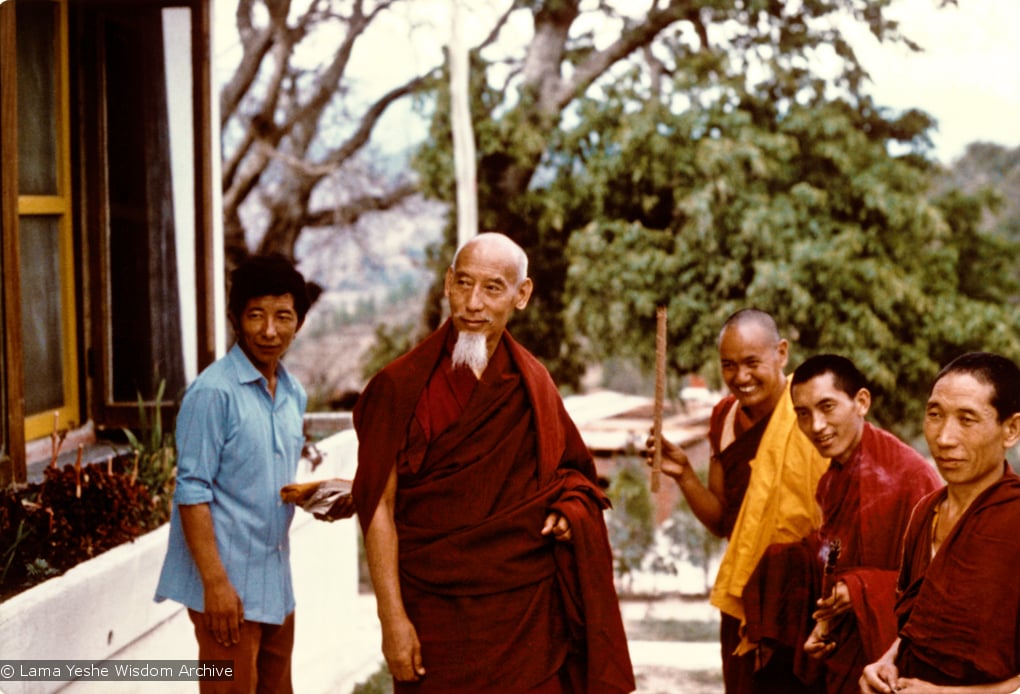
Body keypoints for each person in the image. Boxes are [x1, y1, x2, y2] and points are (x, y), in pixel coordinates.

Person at [352, 232, 635, 693]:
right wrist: (392, 620)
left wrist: (570, 513)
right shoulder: (398, 386)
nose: (473, 304)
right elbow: (377, 506)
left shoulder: (533, 382)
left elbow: (573, 476)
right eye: (463, 284)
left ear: (521, 295)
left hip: (525, 617)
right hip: (436, 618)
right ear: (447, 283)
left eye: (492, 288)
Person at [155, 254, 318, 693]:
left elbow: (265, 477)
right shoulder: (212, 393)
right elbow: (191, 491)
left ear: (298, 323)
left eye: (283, 316)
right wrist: (216, 586)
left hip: (276, 583)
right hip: (227, 590)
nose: (269, 330)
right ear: (234, 319)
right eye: (256, 316)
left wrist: (314, 494)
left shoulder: (292, 392)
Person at [647, 308, 829, 692]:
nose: (740, 377)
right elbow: (723, 523)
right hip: (745, 593)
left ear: (781, 353)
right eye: (729, 366)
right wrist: (683, 474)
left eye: (752, 363)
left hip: (802, 594)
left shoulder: (814, 414)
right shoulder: (724, 417)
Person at [739, 354, 942, 694]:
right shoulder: (833, 479)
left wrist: (860, 589)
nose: (816, 426)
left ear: (861, 402)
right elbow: (833, 557)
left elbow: (939, 583)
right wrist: (823, 618)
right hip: (847, 640)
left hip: (893, 657)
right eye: (803, 414)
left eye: (827, 407)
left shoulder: (909, 475)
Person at [860, 352, 1020, 694]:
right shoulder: (925, 512)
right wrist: (887, 661)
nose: (945, 438)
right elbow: (916, 629)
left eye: (967, 419)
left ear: (1011, 430)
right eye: (935, 415)